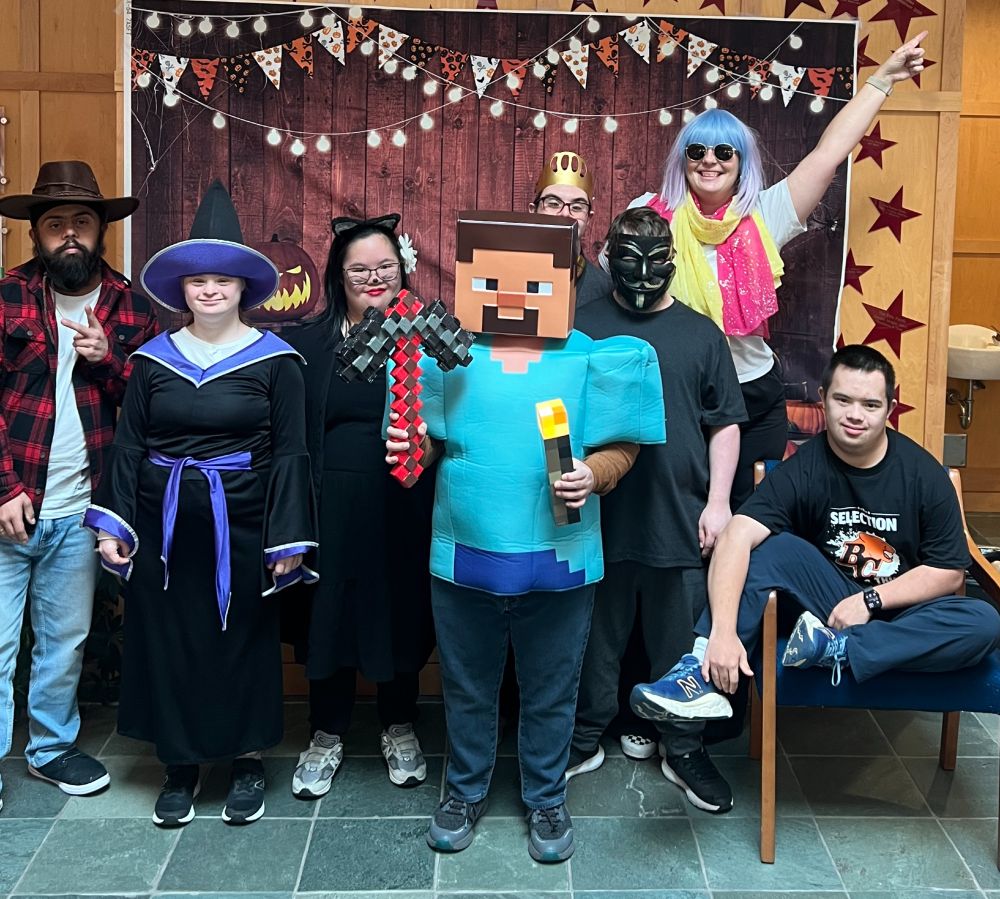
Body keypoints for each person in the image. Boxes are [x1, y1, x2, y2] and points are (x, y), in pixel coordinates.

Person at [387, 211, 665, 862]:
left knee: (553, 688)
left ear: (566, 280)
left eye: (533, 284)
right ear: (469, 277)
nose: (512, 296)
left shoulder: (592, 357)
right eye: (493, 280)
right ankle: (464, 791)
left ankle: (546, 797)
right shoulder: (445, 354)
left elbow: (624, 445)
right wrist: (409, 447)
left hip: (560, 561)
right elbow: (421, 450)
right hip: (464, 554)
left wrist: (594, 473)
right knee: (466, 687)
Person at [84, 181, 316, 828]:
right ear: (182, 288)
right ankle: (180, 765)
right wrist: (113, 525)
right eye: (197, 280)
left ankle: (246, 761)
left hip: (245, 527)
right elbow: (130, 445)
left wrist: (287, 538)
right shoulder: (152, 361)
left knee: (241, 639)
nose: (209, 290)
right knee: (172, 641)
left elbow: (292, 453)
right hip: (163, 530)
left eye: (222, 279)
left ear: (244, 286)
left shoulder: (278, 362)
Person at [631, 345, 1000, 731]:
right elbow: (736, 535)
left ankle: (840, 650)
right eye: (843, 400)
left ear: (890, 408)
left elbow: (948, 572)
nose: (855, 415)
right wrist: (722, 632)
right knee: (770, 548)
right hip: (827, 606)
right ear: (823, 398)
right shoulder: (803, 469)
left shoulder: (923, 474)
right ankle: (701, 671)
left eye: (870, 405)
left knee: (983, 621)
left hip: (907, 611)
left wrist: (870, 600)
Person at [629, 33, 927, 509]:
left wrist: (882, 81)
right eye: (697, 151)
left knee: (745, 515)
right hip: (676, 388)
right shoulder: (649, 214)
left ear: (741, 161)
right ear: (683, 160)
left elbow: (829, 153)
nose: (710, 160)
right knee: (677, 511)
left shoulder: (764, 214)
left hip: (750, 392)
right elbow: (614, 286)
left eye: (724, 151)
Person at [569, 208, 745, 813]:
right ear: (609, 256)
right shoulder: (580, 326)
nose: (642, 272)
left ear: (672, 260)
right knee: (593, 641)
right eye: (629, 258)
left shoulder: (701, 334)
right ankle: (584, 737)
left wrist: (719, 503)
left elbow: (725, 423)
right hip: (597, 514)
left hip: (679, 514)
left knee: (679, 647)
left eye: (654, 260)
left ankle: (684, 746)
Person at [0, 161, 158, 809]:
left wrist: (109, 360)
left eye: (82, 222)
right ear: (36, 233)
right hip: (11, 505)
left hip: (81, 510)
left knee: (63, 643)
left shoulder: (132, 307)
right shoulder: (6, 296)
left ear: (100, 231)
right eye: (56, 223)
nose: (70, 234)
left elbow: (150, 407)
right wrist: (4, 488)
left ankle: (49, 748)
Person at [281, 214, 436, 800]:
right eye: (359, 270)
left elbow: (453, 423)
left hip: (403, 504)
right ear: (337, 277)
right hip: (329, 509)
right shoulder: (307, 346)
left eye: (384, 267)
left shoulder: (426, 339)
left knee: (400, 610)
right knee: (329, 617)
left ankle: (399, 724)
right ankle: (326, 733)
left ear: (402, 270)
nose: (374, 278)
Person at [530, 151, 612, 310]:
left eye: (577, 207)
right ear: (533, 211)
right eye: (553, 204)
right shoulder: (503, 275)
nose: (565, 214)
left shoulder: (606, 290)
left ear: (588, 218)